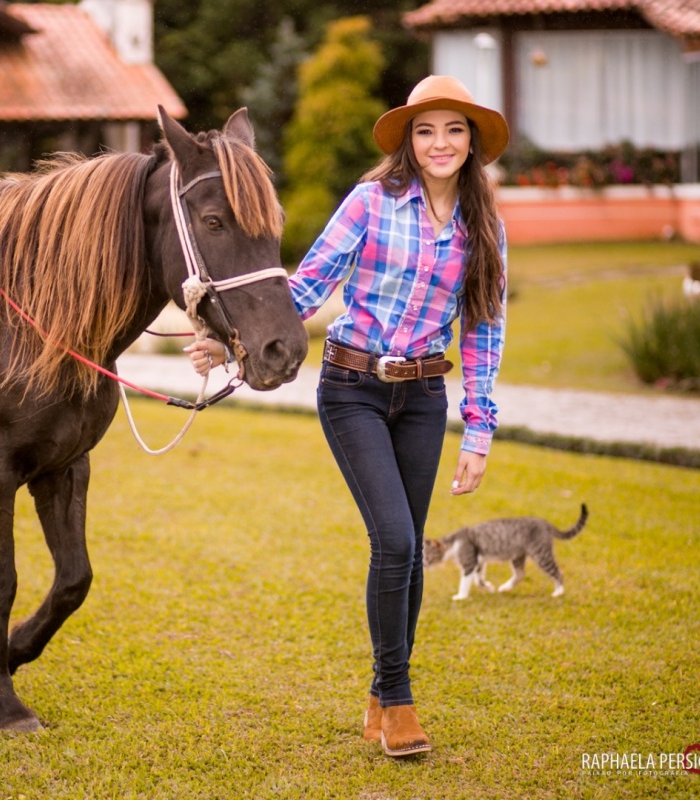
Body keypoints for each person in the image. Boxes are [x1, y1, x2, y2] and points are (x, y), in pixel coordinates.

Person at [187, 75, 508, 758]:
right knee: (393, 539)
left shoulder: (485, 228)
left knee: (411, 549)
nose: (439, 142)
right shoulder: (371, 202)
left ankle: (381, 693)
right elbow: (307, 285)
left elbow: (483, 330)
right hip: (353, 388)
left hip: (424, 396)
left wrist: (478, 431)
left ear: (472, 141)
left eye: (453, 130)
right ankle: (397, 700)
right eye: (426, 130)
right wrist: (231, 340)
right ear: (408, 141)